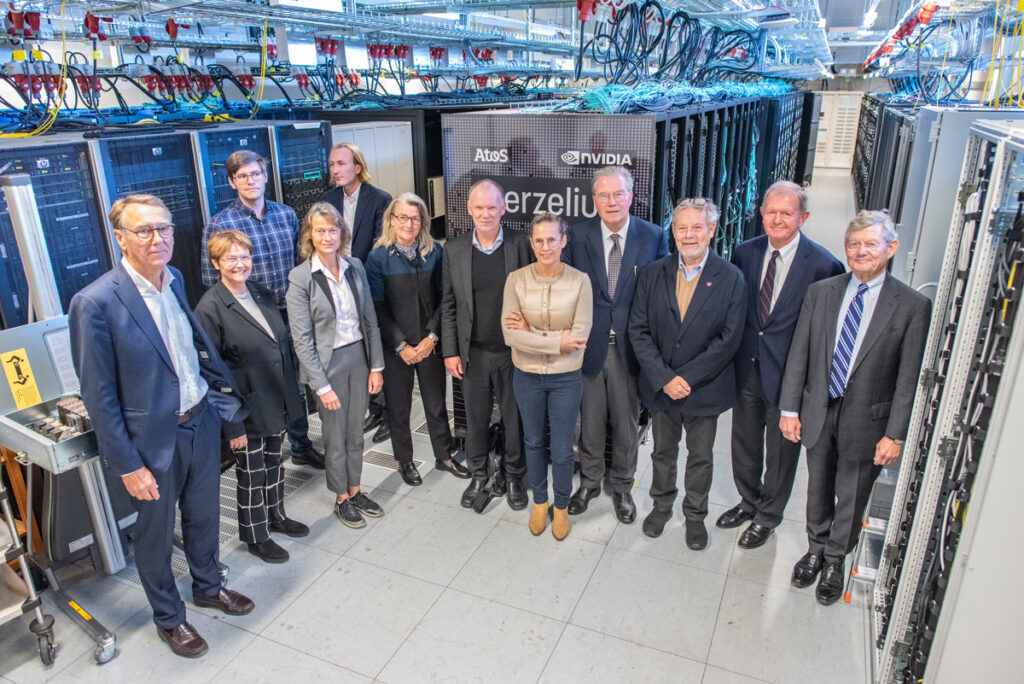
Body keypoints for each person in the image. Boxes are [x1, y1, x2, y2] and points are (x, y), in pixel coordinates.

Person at [69, 194, 254, 658]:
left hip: (199, 423)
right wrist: (128, 464)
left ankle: (209, 586)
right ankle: (170, 618)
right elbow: (99, 395)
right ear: (120, 238)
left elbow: (192, 355)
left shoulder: (173, 280)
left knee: (205, 515)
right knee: (154, 534)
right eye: (144, 230)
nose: (159, 238)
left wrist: (222, 414)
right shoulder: (95, 302)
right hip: (152, 441)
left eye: (165, 228)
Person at [779, 210, 930, 605]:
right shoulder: (822, 292)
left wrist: (894, 433)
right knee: (818, 485)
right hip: (819, 407)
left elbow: (907, 378)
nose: (861, 251)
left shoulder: (911, 306)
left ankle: (834, 559)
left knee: (853, 490)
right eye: (854, 244)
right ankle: (814, 549)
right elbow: (800, 354)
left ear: (891, 248)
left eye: (870, 244)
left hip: (869, 417)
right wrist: (789, 409)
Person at [718, 181, 844, 549]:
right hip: (746, 369)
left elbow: (824, 335)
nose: (777, 219)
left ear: (803, 217)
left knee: (782, 450)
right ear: (761, 213)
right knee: (743, 441)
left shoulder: (824, 265)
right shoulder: (745, 252)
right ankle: (748, 500)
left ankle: (768, 516)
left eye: (786, 213)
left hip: (790, 376)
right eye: (771, 212)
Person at [629, 198, 746, 550]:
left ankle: (695, 516)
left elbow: (728, 341)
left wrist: (686, 379)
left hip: (704, 389)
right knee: (662, 453)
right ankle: (661, 506)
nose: (689, 235)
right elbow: (639, 329)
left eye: (698, 227)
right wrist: (665, 378)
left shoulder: (730, 278)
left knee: (700, 457)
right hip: (662, 387)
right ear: (673, 231)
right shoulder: (653, 273)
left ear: (711, 230)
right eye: (682, 228)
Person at [201, 150, 324, 470]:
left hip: (290, 314)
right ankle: (270, 449)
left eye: (255, 174)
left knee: (294, 382)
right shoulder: (220, 224)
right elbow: (209, 279)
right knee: (264, 387)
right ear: (231, 182)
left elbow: (301, 265)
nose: (250, 181)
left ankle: (300, 444)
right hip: (251, 321)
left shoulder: (285, 215)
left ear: (265, 176)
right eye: (242, 176)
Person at [195, 230, 311, 564]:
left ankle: (276, 515)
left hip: (275, 398)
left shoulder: (258, 291)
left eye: (244, 256)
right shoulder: (210, 308)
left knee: (275, 463)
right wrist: (232, 427)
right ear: (216, 263)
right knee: (251, 472)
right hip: (245, 409)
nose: (240, 263)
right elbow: (212, 374)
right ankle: (256, 535)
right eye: (231, 258)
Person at [563, 165, 668, 524]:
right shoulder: (575, 237)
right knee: (589, 422)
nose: (611, 201)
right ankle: (590, 482)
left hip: (631, 349)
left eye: (618, 193)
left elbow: (660, 297)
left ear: (631, 196)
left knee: (625, 424)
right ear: (594, 200)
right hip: (588, 346)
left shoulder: (653, 237)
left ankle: (622, 486)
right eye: (604, 195)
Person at [286, 202, 386, 529]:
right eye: (320, 231)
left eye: (333, 230)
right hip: (327, 366)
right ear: (310, 236)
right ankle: (341, 498)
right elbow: (301, 340)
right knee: (335, 436)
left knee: (355, 432)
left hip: (359, 357)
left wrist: (377, 366)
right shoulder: (301, 277)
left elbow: (369, 320)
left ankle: (356, 490)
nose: (327, 236)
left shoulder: (355, 265)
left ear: (342, 232)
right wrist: (322, 386)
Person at [365, 193, 470, 486]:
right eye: (402, 217)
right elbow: (377, 307)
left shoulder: (435, 252)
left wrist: (432, 337)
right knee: (398, 409)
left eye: (415, 218)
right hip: (396, 348)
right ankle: (405, 460)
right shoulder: (377, 259)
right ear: (391, 220)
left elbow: (444, 300)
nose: (409, 224)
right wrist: (400, 345)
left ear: (422, 220)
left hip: (429, 344)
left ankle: (445, 455)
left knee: (436, 404)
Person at [441, 179, 532, 511]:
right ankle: (479, 473)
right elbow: (448, 305)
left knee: (515, 419)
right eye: (478, 207)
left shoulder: (522, 244)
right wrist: (450, 351)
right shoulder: (454, 249)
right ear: (469, 209)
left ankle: (514, 477)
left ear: (503, 208)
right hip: (473, 354)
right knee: (476, 420)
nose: (485, 213)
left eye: (492, 207)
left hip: (514, 353)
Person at [502, 213, 592, 540]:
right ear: (531, 243)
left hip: (566, 379)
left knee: (563, 448)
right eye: (538, 240)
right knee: (534, 441)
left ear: (563, 241)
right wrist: (556, 339)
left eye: (552, 239)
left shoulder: (580, 281)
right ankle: (540, 502)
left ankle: (562, 507)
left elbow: (578, 339)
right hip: (526, 376)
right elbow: (511, 336)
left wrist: (534, 333)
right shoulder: (516, 280)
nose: (545, 246)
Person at [319, 142, 394, 445]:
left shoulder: (379, 199)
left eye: (341, 163)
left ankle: (389, 412)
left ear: (358, 167)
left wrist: (352, 268)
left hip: (367, 281)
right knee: (360, 348)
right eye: (332, 164)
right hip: (337, 283)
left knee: (377, 345)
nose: (335, 170)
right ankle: (374, 407)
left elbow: (379, 244)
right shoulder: (327, 200)